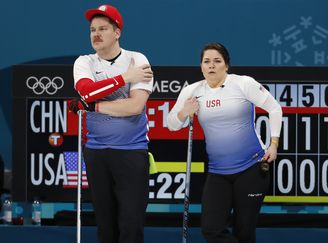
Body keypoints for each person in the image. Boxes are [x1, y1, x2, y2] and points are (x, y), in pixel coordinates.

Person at [167, 43, 282, 243]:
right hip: (218, 172)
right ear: (201, 67)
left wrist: (273, 143)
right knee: (211, 230)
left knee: (244, 233)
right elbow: (171, 124)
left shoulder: (243, 84)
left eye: (217, 61)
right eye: (206, 62)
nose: (211, 65)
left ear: (226, 66)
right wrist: (184, 111)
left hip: (252, 169)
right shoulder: (192, 92)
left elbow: (274, 108)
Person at [71, 4, 153, 243]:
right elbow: (86, 92)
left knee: (131, 225)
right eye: (92, 29)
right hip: (96, 153)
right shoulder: (84, 62)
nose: (96, 34)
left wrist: (94, 107)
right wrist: (125, 78)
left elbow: (134, 107)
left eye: (103, 29)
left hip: (131, 152)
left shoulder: (137, 59)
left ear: (117, 32)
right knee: (105, 227)